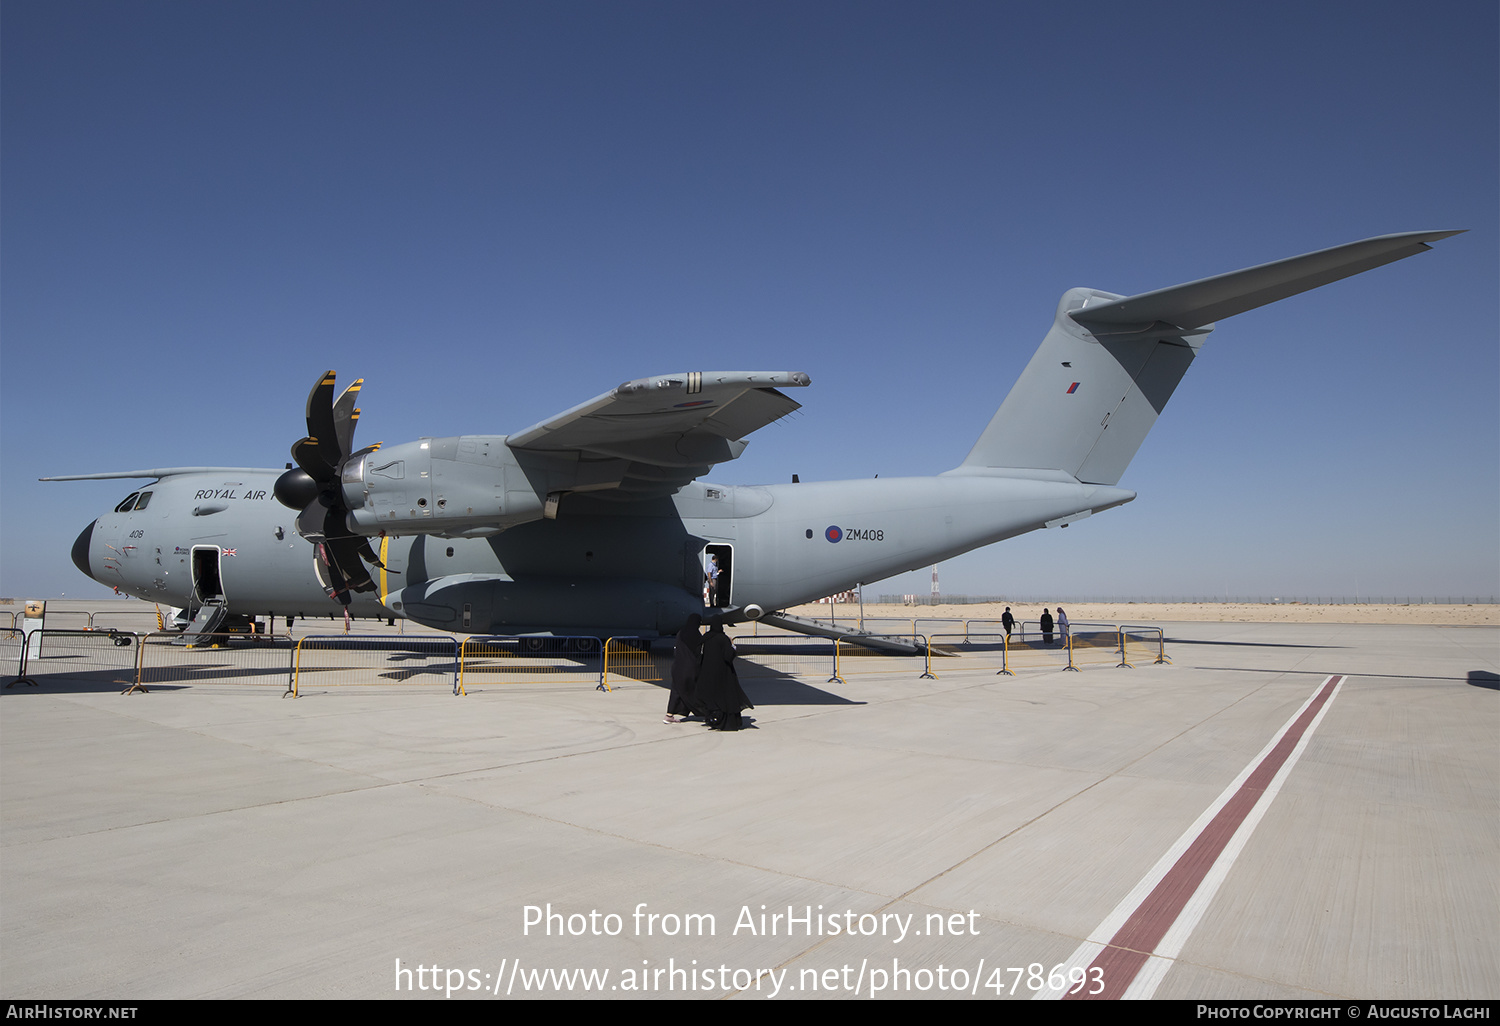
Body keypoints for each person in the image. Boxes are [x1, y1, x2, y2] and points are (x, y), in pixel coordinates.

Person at [696, 623, 753, 730]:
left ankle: (713, 719)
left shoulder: (706, 638)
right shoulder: (723, 639)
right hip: (723, 672)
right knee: (726, 697)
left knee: (712, 697)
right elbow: (728, 656)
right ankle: (725, 721)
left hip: (708, 673)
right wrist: (732, 646)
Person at [665, 613, 704, 723]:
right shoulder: (696, 635)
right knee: (693, 690)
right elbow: (697, 653)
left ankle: (669, 715)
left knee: (676, 690)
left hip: (677, 667)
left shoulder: (681, 633)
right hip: (690, 668)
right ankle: (703, 711)